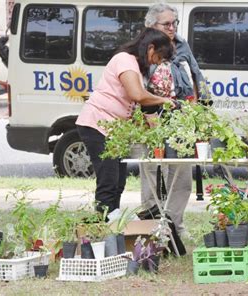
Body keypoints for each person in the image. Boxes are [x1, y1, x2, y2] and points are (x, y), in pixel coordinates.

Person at [76, 28, 175, 215]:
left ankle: (114, 225)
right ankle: (104, 232)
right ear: (151, 48)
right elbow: (137, 94)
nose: (157, 62)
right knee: (108, 182)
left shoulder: (135, 66)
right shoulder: (124, 60)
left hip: (115, 132)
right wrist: (164, 100)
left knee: (118, 183)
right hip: (98, 125)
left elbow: (134, 103)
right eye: (159, 57)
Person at [139, 2, 207, 237]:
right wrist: (146, 115)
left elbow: (195, 76)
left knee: (182, 174)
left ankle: (175, 224)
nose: (172, 27)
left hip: (182, 119)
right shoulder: (144, 47)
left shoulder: (181, 44)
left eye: (174, 23)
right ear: (151, 25)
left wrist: (198, 112)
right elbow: (139, 83)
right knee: (152, 174)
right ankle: (153, 226)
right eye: (166, 23)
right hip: (153, 118)